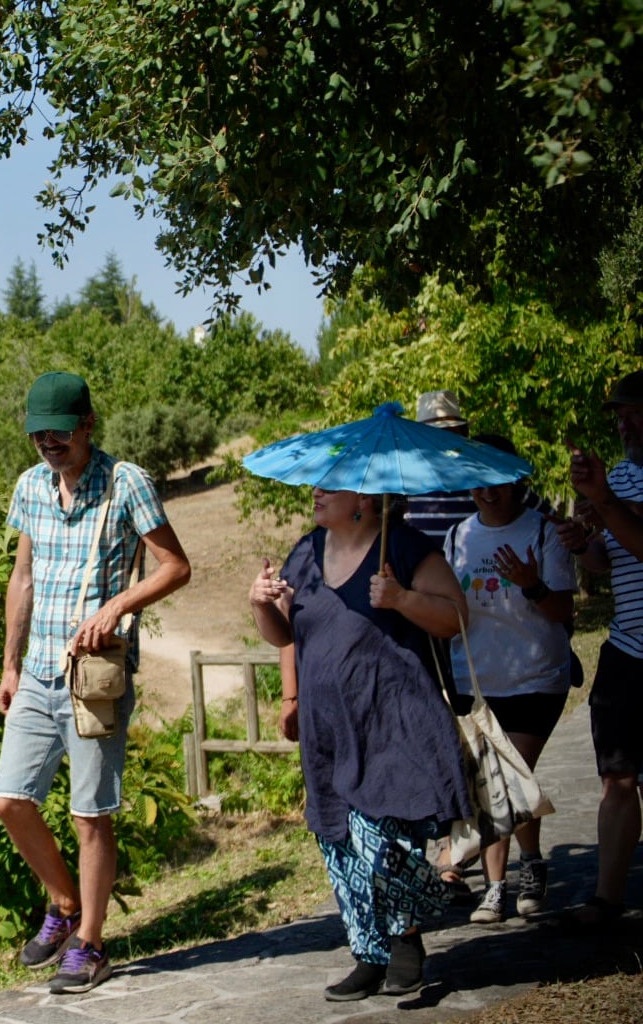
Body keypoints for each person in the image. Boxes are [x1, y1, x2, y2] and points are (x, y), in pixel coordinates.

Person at [0, 372, 191, 995]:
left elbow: (176, 566)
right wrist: (9, 662)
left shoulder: (126, 482)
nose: (47, 443)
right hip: (38, 674)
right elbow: (22, 576)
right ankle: (64, 901)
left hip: (95, 678)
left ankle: (90, 945)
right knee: (9, 800)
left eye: (58, 431)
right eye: (37, 433)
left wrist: (117, 607)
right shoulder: (31, 485)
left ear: (87, 425)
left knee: (90, 814)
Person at [251, 487, 470, 1001]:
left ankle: (406, 940)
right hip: (328, 729)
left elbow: (458, 617)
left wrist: (401, 599)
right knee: (339, 842)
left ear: (365, 501)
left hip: (391, 718)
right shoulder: (306, 551)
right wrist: (260, 603)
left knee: (382, 835)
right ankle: (368, 954)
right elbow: (285, 635)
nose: (315, 493)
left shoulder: (407, 547)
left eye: (331, 485)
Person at [441, 435, 575, 923]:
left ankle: (516, 877)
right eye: (477, 481)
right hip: (476, 677)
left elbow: (563, 609)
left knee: (506, 774)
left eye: (497, 481)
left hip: (536, 675)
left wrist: (531, 584)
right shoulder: (456, 537)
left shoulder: (545, 534)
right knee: (493, 782)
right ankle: (508, 879)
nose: (487, 491)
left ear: (518, 481)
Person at [558, 368, 643, 930]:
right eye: (617, 414)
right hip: (626, 648)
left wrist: (606, 501)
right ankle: (607, 900)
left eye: (632, 412)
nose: (622, 423)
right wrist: (581, 544)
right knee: (617, 779)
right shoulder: (622, 475)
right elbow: (611, 562)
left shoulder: (617, 485)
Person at [404, 391, 478, 544]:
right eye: (433, 435)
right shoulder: (405, 482)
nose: (441, 442)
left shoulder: (486, 477)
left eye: (448, 434)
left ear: (463, 435)